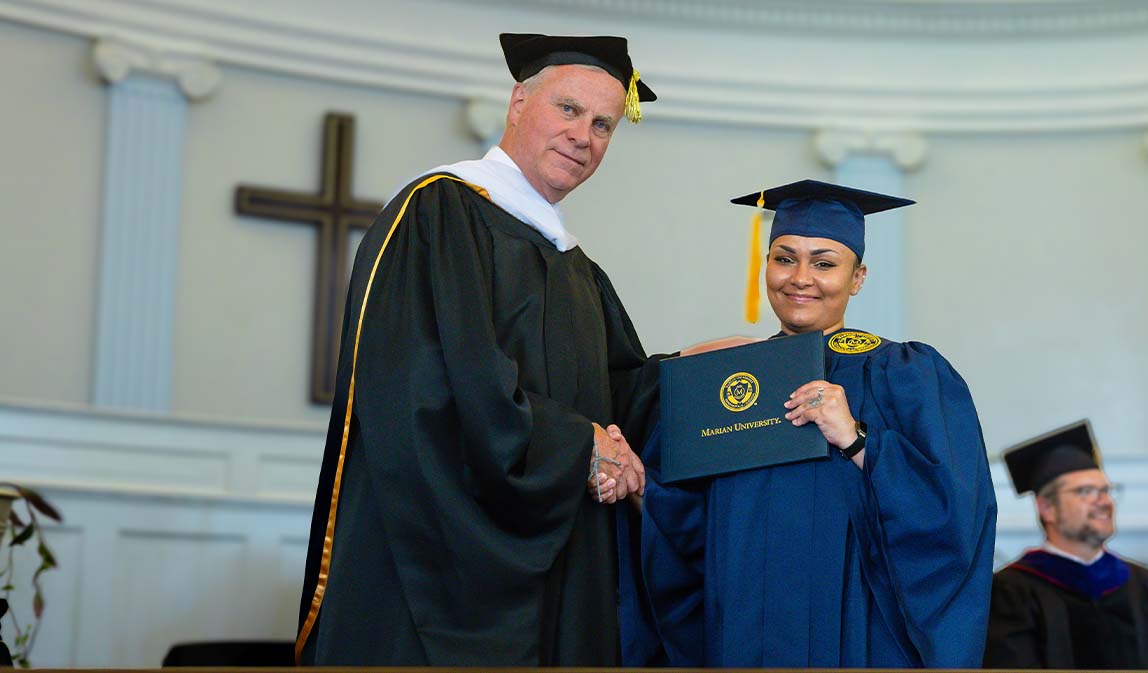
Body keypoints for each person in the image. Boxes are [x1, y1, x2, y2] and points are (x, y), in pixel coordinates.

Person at [296, 33, 663, 666]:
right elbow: (434, 381)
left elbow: (622, 391)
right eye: (569, 110)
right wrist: (581, 446)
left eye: (604, 124)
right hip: (436, 563)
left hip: (559, 560)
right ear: (519, 101)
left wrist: (728, 369)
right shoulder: (438, 213)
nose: (585, 136)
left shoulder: (578, 270)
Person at [619, 180, 998, 667]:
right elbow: (695, 527)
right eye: (784, 258)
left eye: (824, 263)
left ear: (857, 277)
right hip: (743, 632)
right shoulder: (728, 379)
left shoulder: (907, 374)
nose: (800, 277)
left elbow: (955, 514)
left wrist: (859, 441)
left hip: (859, 640)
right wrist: (643, 489)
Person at [984, 420, 1148, 669]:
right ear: (1047, 508)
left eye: (1106, 490)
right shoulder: (1011, 593)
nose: (1104, 501)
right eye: (1085, 491)